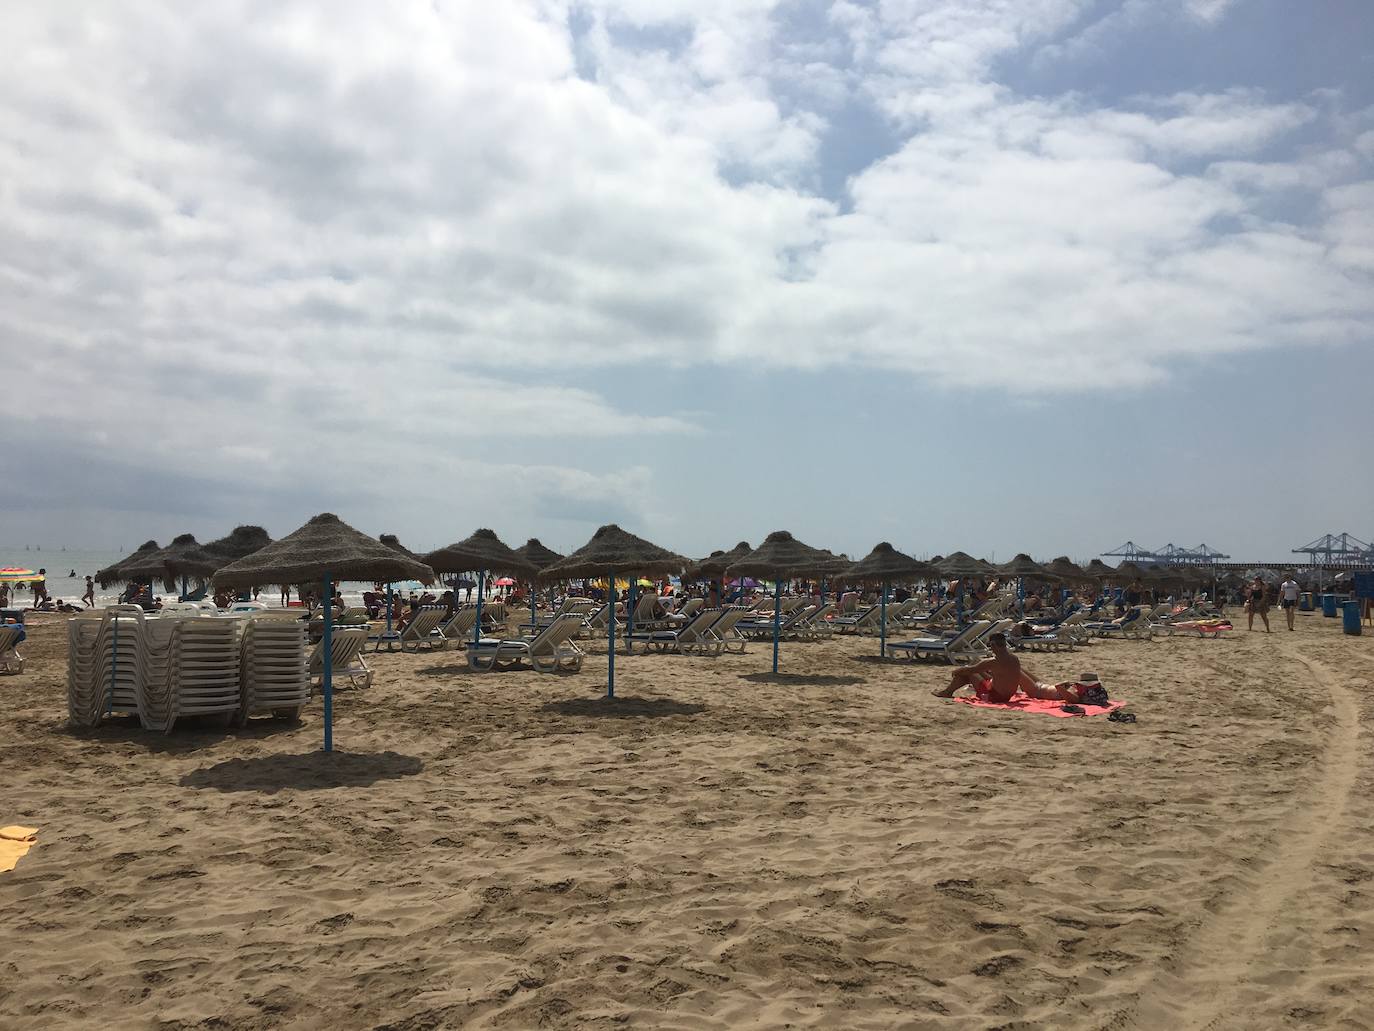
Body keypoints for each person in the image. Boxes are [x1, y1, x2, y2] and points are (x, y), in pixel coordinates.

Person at [932, 632, 1099, 704]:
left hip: (994, 697)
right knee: (977, 670)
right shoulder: (1014, 658)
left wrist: (957, 670)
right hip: (1008, 696)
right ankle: (948, 691)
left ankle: (947, 692)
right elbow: (989, 669)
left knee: (967, 674)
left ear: (993, 645)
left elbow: (969, 670)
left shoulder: (993, 661)